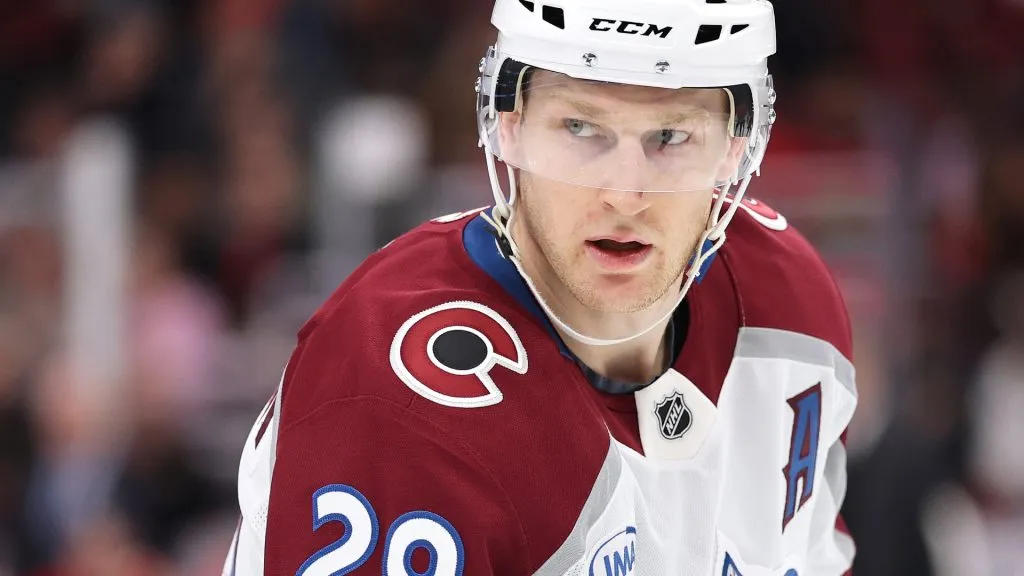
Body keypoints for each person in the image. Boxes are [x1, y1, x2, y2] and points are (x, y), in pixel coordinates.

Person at [223, 0, 858, 573]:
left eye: (671, 136)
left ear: (735, 149)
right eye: (581, 129)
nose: (625, 194)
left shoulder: (790, 317)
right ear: (509, 125)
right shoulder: (403, 398)